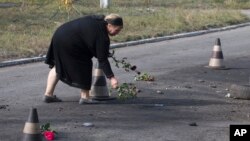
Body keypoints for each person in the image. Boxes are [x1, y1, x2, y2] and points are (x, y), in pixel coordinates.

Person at [43, 13, 123, 104]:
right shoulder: (101, 34)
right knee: (85, 64)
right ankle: (85, 97)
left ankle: (48, 94)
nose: (117, 33)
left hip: (59, 35)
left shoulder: (98, 20)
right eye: (117, 30)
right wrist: (112, 78)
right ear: (109, 25)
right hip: (70, 41)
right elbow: (102, 59)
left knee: (59, 65)